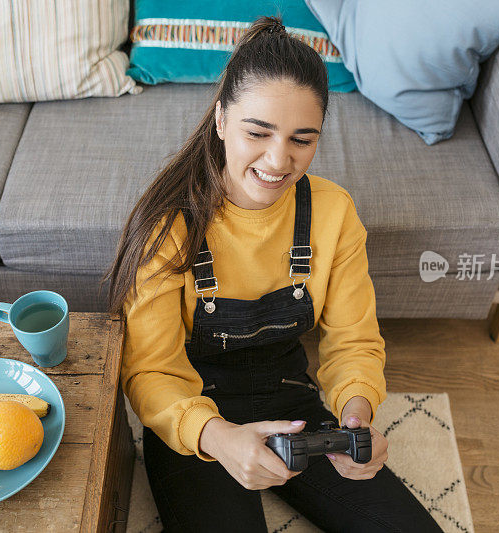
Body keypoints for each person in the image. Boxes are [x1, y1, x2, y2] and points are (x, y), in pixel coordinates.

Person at [104, 16, 444, 533]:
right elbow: (151, 373)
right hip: (197, 414)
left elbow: (354, 341)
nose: (278, 160)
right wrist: (218, 437)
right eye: (257, 132)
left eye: (301, 140)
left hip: (292, 403)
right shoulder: (169, 225)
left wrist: (356, 417)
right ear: (220, 119)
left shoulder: (333, 213)